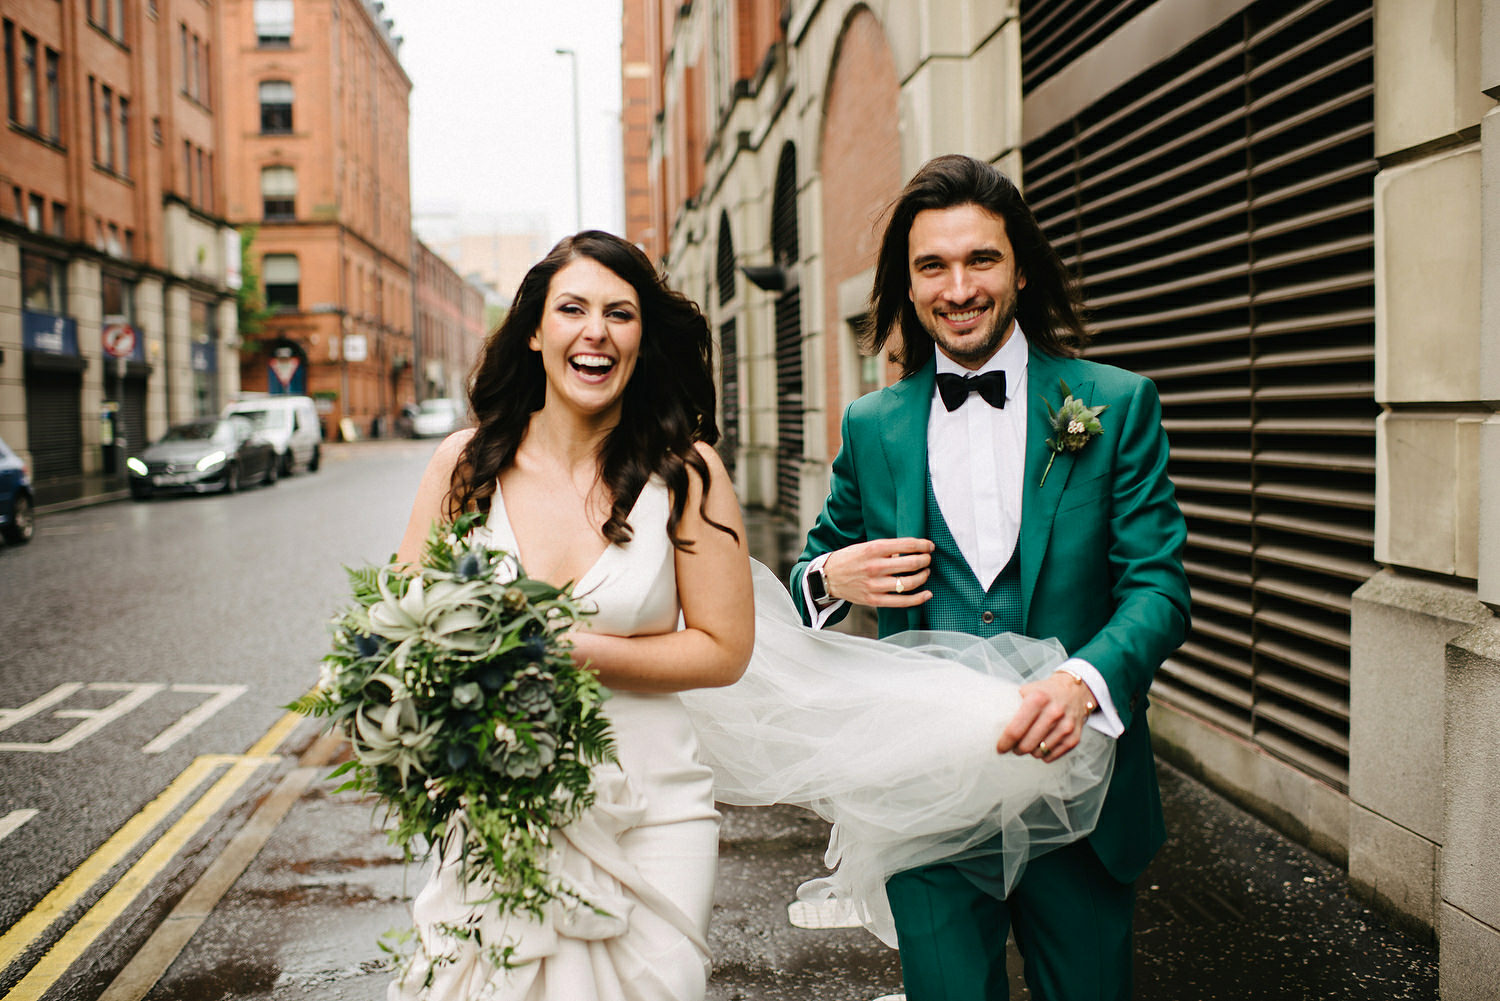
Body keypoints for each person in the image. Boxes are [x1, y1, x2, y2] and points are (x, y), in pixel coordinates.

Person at [790, 154, 1191, 1001]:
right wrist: (835, 573)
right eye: (932, 265)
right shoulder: (873, 425)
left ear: (1020, 267)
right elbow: (807, 577)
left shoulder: (1114, 405)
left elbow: (1159, 587)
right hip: (926, 794)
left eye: (981, 259)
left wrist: (1084, 683)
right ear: (907, 282)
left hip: (1079, 788)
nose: (958, 287)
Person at [390, 230, 755, 1001]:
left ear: (642, 338)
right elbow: (401, 626)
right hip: (497, 807)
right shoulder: (465, 467)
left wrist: (566, 647)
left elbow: (725, 649)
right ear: (534, 330)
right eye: (573, 309)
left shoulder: (685, 472)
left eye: (620, 313)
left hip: (650, 808)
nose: (597, 331)